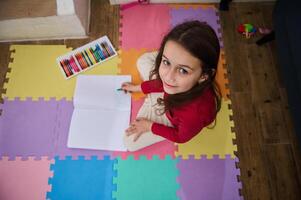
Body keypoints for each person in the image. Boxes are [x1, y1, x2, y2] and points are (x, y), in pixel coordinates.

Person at [121, 20, 221, 151]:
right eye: (166, 62)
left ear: (204, 76)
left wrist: (149, 125)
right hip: (170, 98)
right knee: (143, 61)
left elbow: (180, 137)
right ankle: (174, 59)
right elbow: (162, 83)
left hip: (173, 118)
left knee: (129, 142)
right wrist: (137, 88)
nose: (168, 76)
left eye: (183, 70)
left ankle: (170, 61)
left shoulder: (194, 115)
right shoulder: (173, 81)